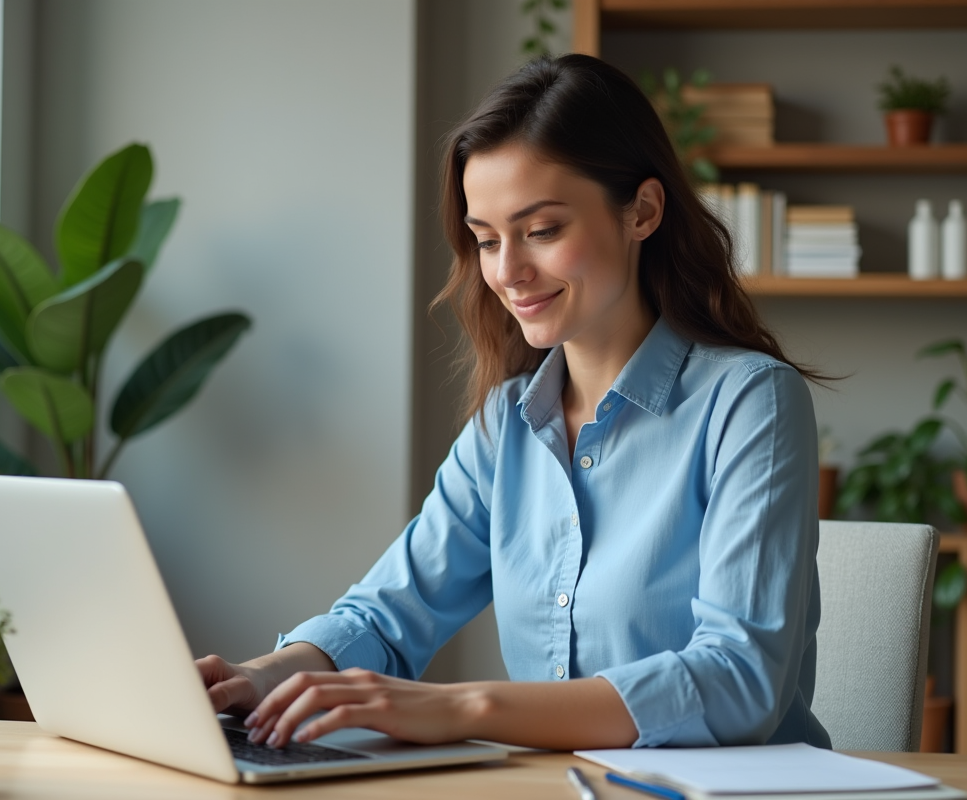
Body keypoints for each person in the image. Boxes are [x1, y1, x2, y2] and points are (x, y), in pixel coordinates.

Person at [198, 53, 832, 752]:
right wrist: (260, 677)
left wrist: (464, 708)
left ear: (643, 212)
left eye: (542, 231)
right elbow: (385, 616)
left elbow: (739, 680)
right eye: (487, 240)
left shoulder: (750, 403)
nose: (507, 272)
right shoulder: (506, 425)